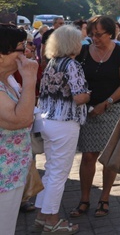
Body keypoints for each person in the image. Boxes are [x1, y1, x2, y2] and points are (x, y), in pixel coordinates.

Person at [71, 16, 120, 219]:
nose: (94, 38)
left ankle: (105, 198)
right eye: (91, 34)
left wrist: (107, 103)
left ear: (110, 33)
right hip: (89, 110)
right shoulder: (82, 52)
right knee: (88, 155)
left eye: (99, 34)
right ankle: (85, 198)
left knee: (108, 158)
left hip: (113, 109)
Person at [33, 25, 90, 233]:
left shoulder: (51, 64)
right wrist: (89, 95)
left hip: (47, 121)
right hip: (64, 123)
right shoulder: (72, 65)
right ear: (72, 43)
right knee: (58, 174)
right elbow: (79, 97)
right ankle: (53, 220)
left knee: (50, 171)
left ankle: (42, 214)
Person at [0, 24, 38, 235]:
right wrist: (30, 78)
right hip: (3, 180)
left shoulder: (6, 80)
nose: (27, 53)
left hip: (10, 175)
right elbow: (21, 119)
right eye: (21, 48)